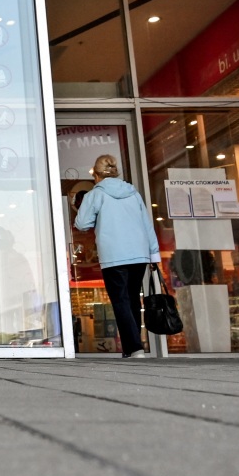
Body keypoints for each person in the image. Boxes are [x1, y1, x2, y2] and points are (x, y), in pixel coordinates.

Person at [74, 154, 160, 359]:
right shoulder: (133, 193)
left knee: (120, 301)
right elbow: (147, 224)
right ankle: (132, 348)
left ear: (96, 174)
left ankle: (134, 348)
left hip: (114, 255)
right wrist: (154, 254)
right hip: (139, 255)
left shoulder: (96, 194)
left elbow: (82, 223)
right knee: (131, 299)